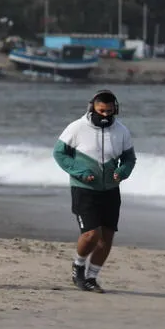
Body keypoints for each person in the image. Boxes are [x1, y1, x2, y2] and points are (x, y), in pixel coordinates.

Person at [53, 89, 137, 293]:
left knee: (106, 237)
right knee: (91, 234)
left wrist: (122, 172)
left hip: (110, 190)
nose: (106, 115)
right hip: (84, 188)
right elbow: (59, 153)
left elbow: (129, 158)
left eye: (109, 111)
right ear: (92, 108)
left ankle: (91, 278)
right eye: (101, 111)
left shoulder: (122, 131)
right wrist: (79, 172)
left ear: (115, 109)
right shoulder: (76, 127)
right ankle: (78, 265)